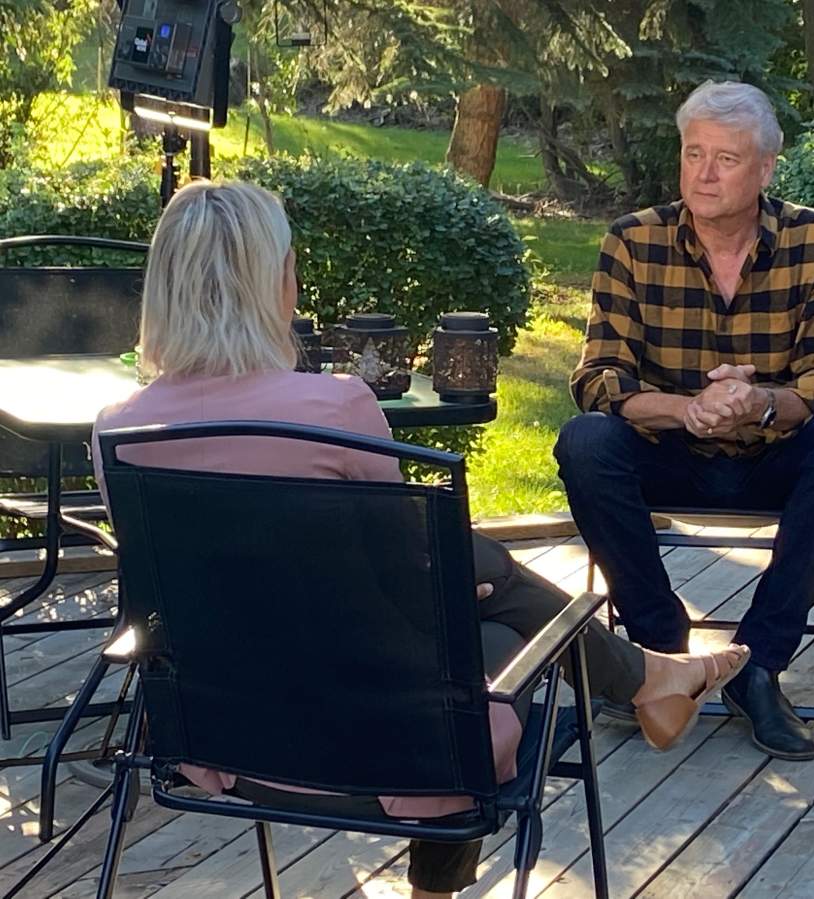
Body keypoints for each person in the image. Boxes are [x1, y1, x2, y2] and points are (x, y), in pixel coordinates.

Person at [91, 180, 748, 899]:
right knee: (489, 644)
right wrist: (451, 586)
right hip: (388, 746)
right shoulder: (334, 408)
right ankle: (645, 681)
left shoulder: (119, 430)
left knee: (475, 582)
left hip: (217, 737)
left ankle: (650, 675)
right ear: (274, 282)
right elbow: (408, 590)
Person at [554, 81, 814, 762]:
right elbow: (599, 377)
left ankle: (756, 666)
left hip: (773, 459)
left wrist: (759, 401)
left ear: (765, 167)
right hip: (668, 450)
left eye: (725, 158)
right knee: (585, 441)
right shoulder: (632, 241)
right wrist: (688, 410)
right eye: (693, 153)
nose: (703, 173)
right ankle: (662, 652)